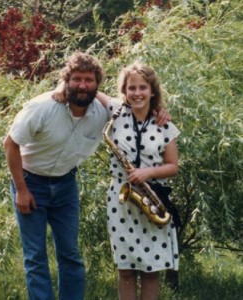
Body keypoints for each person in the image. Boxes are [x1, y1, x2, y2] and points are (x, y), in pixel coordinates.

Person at [3, 51, 170, 300]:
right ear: (66, 81)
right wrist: (22, 190)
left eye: (89, 80)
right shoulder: (43, 107)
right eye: (77, 79)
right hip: (30, 182)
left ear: (97, 84)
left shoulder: (105, 113)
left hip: (65, 184)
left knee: (70, 255)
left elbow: (137, 103)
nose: (83, 85)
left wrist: (159, 110)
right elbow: (10, 143)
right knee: (36, 257)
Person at [99, 62, 180, 300]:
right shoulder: (116, 112)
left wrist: (147, 173)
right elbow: (93, 90)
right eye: (131, 87)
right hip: (121, 201)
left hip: (152, 197)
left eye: (142, 87)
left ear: (152, 91)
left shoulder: (164, 123)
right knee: (125, 269)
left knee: (151, 268)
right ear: (124, 90)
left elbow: (173, 166)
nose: (137, 93)